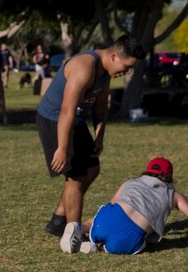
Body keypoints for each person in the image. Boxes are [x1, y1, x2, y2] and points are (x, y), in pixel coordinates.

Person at [35, 35, 146, 253]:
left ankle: (59, 218)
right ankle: (73, 235)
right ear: (114, 56)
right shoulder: (84, 67)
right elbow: (66, 110)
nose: (127, 72)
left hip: (74, 120)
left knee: (92, 169)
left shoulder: (106, 71)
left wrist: (99, 136)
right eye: (127, 67)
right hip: (54, 118)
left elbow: (101, 106)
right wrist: (62, 148)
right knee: (75, 177)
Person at [80, 157, 188, 254]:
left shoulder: (131, 182)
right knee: (137, 242)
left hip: (106, 224)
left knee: (95, 221)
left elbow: (111, 205)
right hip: (130, 239)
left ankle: (79, 228)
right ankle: (98, 248)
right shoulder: (173, 195)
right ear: (169, 176)